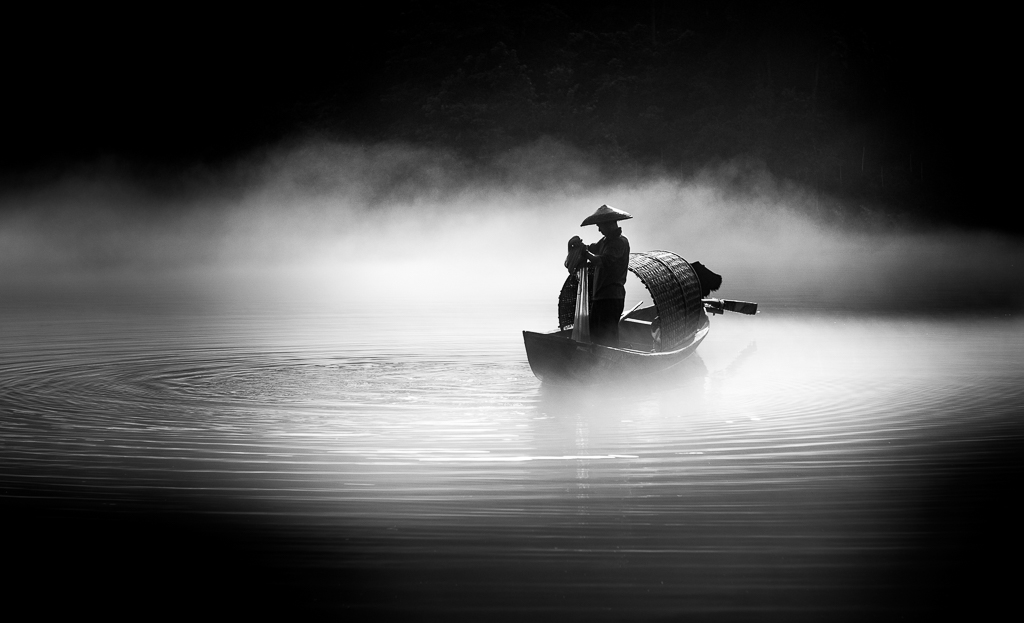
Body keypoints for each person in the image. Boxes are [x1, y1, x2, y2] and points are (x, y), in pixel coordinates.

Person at [567, 205, 631, 346]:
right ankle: (596, 363)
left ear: (609, 224)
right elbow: (593, 248)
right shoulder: (605, 241)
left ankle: (609, 363)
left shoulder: (619, 242)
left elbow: (602, 261)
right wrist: (580, 246)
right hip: (601, 295)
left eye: (600, 226)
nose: (599, 229)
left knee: (608, 335)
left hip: (612, 295)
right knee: (596, 333)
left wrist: (586, 254)